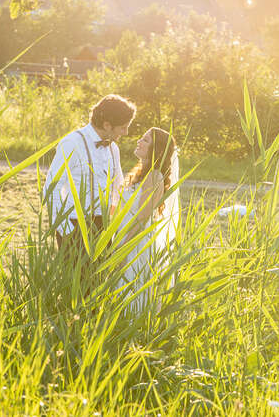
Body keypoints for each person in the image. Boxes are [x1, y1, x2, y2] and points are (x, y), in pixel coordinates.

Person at [44, 94, 136, 251]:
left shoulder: (113, 148)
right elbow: (51, 187)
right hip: (74, 225)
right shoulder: (72, 143)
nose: (126, 132)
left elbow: (118, 187)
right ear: (107, 125)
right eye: (123, 127)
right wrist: (66, 230)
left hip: (104, 228)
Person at [112, 126, 180, 312]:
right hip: (125, 236)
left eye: (145, 140)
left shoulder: (154, 176)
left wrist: (123, 249)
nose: (139, 142)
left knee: (130, 296)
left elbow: (142, 219)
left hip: (135, 242)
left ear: (156, 149)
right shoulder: (140, 173)